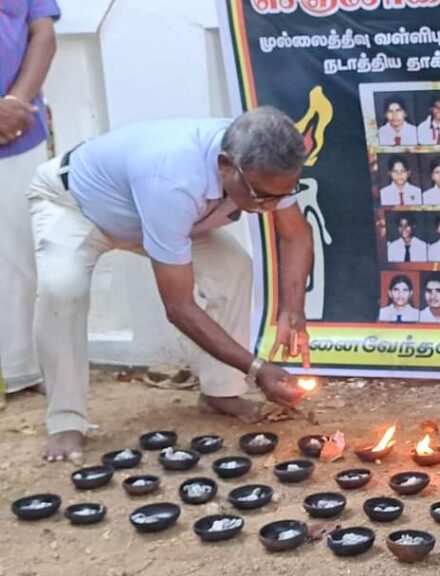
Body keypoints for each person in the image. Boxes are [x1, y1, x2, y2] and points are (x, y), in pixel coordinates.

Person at [30, 108, 312, 461]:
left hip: (162, 218)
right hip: (78, 207)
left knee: (233, 268)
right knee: (63, 290)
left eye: (282, 194)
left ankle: (220, 391)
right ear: (226, 165)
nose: (271, 206)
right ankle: (66, 420)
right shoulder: (172, 180)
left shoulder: (267, 163)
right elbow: (179, 307)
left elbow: (296, 235)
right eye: (262, 196)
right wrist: (257, 368)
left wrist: (292, 311)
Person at [1, 0, 59, 398]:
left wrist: (14, 103)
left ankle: (20, 367)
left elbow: (43, 33)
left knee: (23, 254)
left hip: (19, 130)